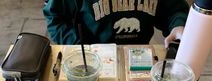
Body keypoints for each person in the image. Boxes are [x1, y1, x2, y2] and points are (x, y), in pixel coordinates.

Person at [43, 0, 189, 48]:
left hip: (140, 49)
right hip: (94, 52)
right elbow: (54, 16)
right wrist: (76, 43)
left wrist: (178, 25)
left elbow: (175, 10)